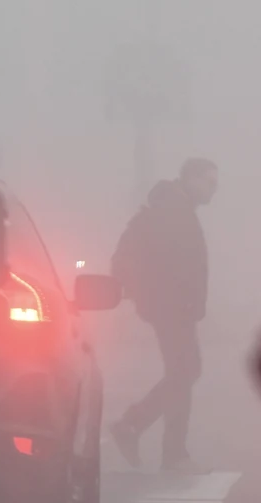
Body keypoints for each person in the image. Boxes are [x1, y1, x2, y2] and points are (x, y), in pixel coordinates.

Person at [109, 158, 219, 474]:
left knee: (183, 372)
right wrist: (166, 300)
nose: (214, 189)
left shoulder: (174, 209)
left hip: (174, 308)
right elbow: (172, 265)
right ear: (192, 179)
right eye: (209, 182)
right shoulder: (173, 212)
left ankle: (163, 446)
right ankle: (153, 440)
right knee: (185, 372)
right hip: (171, 308)